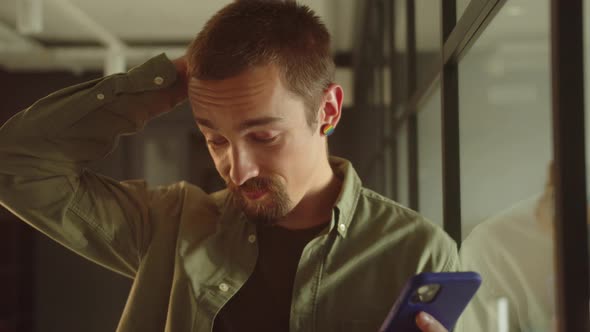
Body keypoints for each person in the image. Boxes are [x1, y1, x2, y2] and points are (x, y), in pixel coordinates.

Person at [0, 1, 459, 331]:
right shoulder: (169, 227)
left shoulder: (419, 253)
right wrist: (164, 82)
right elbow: (17, 162)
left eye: (263, 136)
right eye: (215, 138)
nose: (236, 170)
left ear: (329, 112)